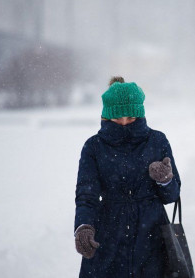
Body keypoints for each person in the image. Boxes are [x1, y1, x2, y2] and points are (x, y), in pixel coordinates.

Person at [74, 76, 181, 278]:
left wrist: (165, 179)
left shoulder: (157, 141)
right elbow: (86, 195)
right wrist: (83, 226)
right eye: (117, 118)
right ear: (106, 116)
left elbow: (171, 196)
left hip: (152, 237)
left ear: (139, 114)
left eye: (131, 118)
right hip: (108, 235)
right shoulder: (93, 147)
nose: (124, 123)